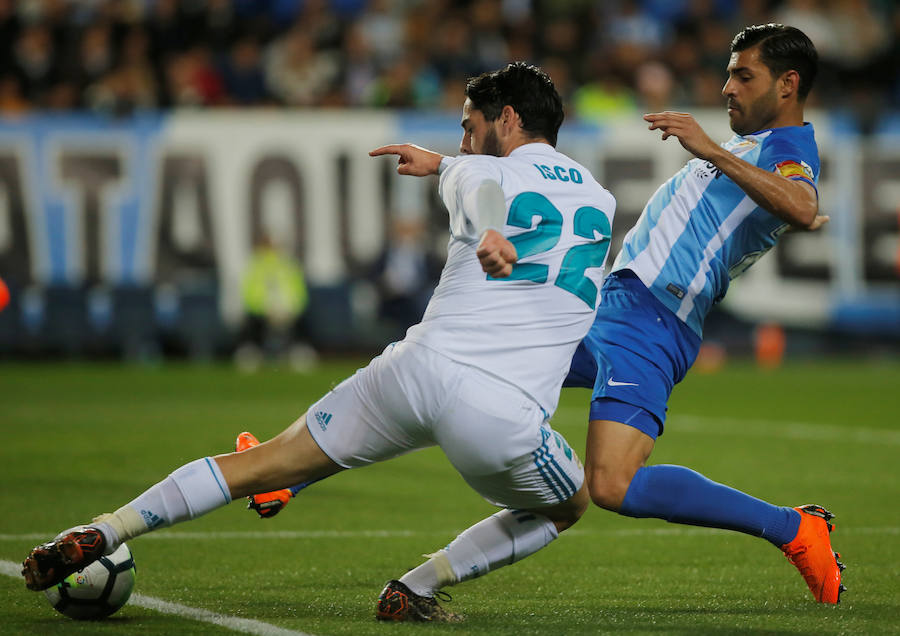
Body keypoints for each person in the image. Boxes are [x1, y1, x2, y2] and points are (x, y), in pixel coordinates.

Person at [21, 62, 617, 623]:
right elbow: (505, 187)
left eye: (469, 126)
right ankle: (416, 587)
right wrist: (450, 172)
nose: (463, 141)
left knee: (259, 463)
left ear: (507, 119)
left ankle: (110, 529)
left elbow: (485, 184)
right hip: (499, 414)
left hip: (413, 369)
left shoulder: (477, 170)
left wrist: (479, 214)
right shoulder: (600, 199)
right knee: (571, 503)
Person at [480, 24, 845, 605]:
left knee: (611, 484)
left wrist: (711, 151)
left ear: (788, 85)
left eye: (743, 75)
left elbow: (802, 205)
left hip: (653, 320)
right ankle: (302, 469)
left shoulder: (787, 145)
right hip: (610, 300)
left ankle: (794, 529)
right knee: (474, 363)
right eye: (728, 73)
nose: (727, 87)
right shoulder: (748, 151)